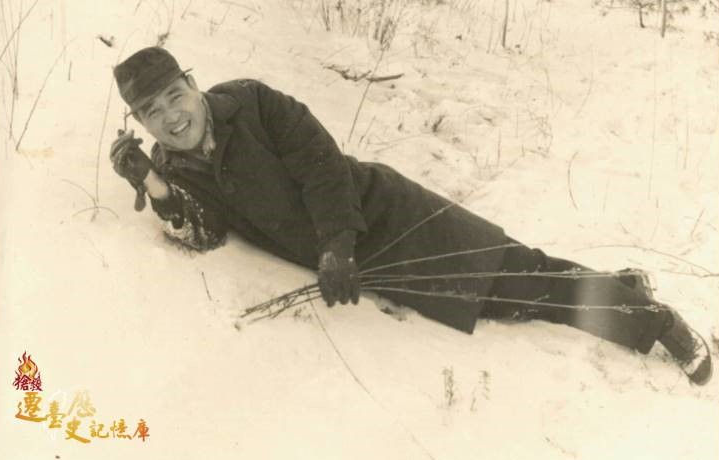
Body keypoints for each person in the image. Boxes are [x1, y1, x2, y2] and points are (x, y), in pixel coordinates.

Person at [110, 46, 712, 385]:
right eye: (152, 112)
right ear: (140, 122)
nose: (171, 117)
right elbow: (205, 233)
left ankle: (654, 321)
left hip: (386, 217)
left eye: (174, 97)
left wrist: (336, 244)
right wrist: (152, 183)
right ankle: (622, 287)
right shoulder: (175, 165)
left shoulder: (252, 101)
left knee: (518, 279)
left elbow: (323, 168)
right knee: (505, 300)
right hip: (360, 264)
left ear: (193, 83)